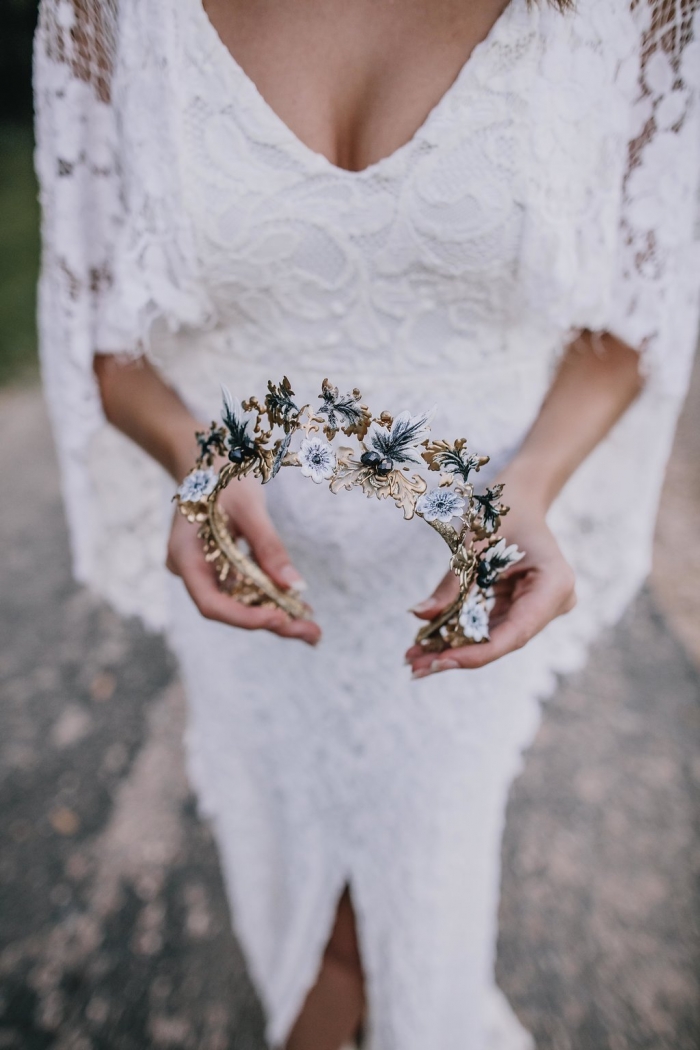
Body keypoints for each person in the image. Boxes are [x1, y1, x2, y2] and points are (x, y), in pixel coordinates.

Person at [34, 1, 699, 1047]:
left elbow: (638, 313)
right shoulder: (108, 12)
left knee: (414, 922)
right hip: (254, 587)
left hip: (466, 579)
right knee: (291, 892)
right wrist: (195, 463)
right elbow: (96, 326)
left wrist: (528, 488)